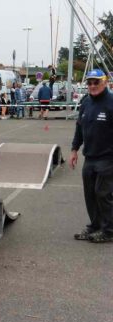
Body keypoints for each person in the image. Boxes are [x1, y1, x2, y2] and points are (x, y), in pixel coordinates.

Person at [69, 69, 113, 243]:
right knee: (90, 194)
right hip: (90, 157)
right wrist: (74, 150)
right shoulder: (86, 102)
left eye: (96, 82)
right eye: (89, 83)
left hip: (108, 158)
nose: (93, 86)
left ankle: (109, 230)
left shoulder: (111, 103)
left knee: (103, 194)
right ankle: (95, 226)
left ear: (105, 82)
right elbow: (79, 128)